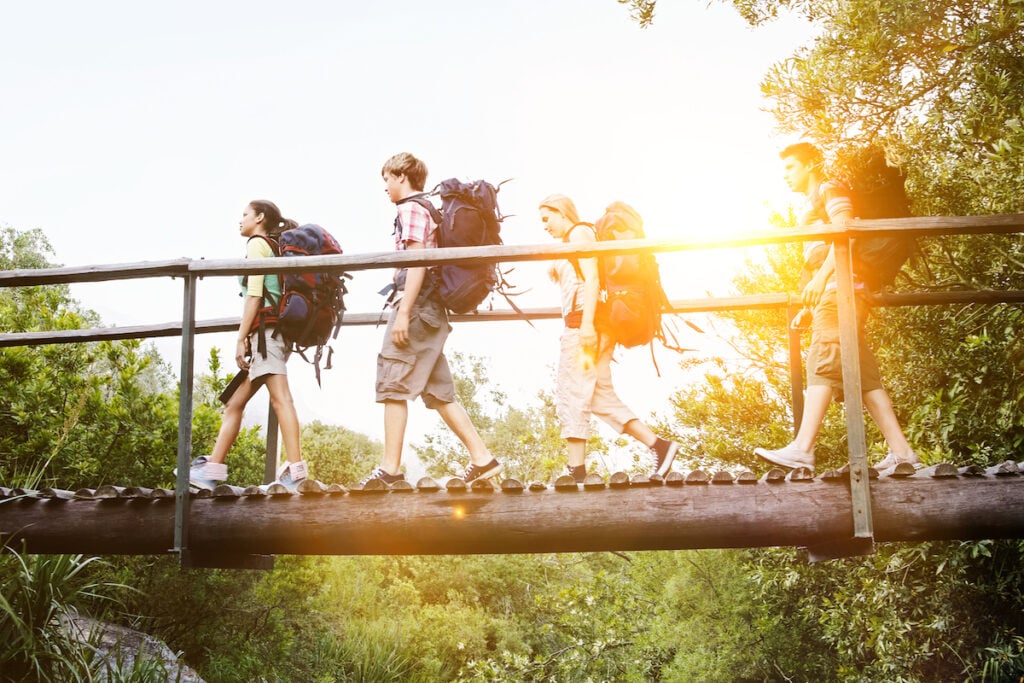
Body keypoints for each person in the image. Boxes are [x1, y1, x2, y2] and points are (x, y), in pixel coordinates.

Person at [754, 142, 918, 472]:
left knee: (822, 358)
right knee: (865, 379)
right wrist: (810, 304)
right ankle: (903, 453)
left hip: (839, 289)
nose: (785, 175)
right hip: (839, 291)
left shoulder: (829, 189)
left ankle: (802, 449)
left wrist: (821, 282)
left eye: (791, 168)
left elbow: (847, 233)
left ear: (810, 165)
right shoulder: (813, 204)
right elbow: (821, 255)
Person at [360, 152, 503, 485]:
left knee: (393, 385)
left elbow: (417, 262)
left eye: (386, 179)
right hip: (431, 310)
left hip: (417, 307)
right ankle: (483, 459)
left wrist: (403, 313)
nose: (384, 187)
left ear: (401, 176)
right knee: (438, 392)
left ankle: (390, 471)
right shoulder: (428, 209)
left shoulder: (410, 209)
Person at [539, 194, 679, 483]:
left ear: (562, 212)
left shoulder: (578, 232)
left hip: (583, 326)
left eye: (546, 218)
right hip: (588, 325)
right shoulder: (575, 237)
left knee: (572, 392)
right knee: (599, 397)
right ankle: (660, 447)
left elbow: (592, 280)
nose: (544, 226)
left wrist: (588, 326)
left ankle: (576, 472)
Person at [182, 200, 310, 491]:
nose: (240, 220)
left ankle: (296, 475)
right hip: (270, 334)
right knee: (234, 403)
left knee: (281, 400)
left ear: (260, 218)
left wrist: (240, 339)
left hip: (267, 334)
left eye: (244, 215)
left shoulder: (257, 244)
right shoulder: (271, 246)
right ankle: (211, 471)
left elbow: (254, 295)